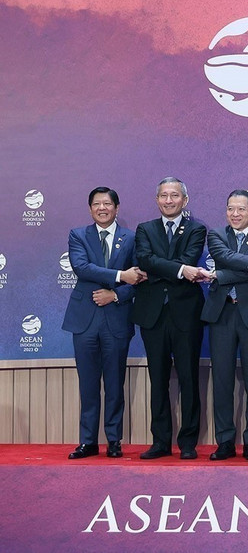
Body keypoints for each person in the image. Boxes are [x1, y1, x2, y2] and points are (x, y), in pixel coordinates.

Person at [62, 187, 144, 459]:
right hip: (84, 320)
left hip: (116, 319)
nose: (102, 208)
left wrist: (115, 295)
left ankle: (113, 440)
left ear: (117, 208)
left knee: (114, 383)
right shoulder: (78, 235)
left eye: (107, 204)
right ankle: (87, 441)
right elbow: (82, 268)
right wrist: (121, 275)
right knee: (87, 385)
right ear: (90, 209)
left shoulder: (132, 238)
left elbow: (139, 280)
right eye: (96, 204)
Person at [132, 177, 209, 460]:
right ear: (157, 200)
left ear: (184, 200)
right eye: (163, 195)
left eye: (174, 195)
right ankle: (160, 441)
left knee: (189, 378)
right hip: (153, 314)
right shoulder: (145, 229)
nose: (168, 200)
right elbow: (145, 259)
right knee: (158, 379)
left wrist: (157, 266)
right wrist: (179, 270)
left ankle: (188, 442)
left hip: (186, 313)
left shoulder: (197, 229)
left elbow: (188, 257)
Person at [200, 189, 248, 461]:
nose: (235, 214)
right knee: (222, 380)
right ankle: (224, 441)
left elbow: (233, 268)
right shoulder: (216, 235)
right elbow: (229, 259)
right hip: (222, 314)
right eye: (230, 209)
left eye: (241, 209)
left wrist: (220, 275)